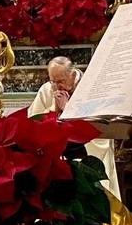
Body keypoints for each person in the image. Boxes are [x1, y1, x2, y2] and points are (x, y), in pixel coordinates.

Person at [28, 56, 120, 198]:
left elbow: (100, 125)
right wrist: (54, 108)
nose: (56, 87)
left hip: (89, 148)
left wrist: (67, 108)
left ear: (72, 74)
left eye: (61, 81)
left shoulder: (93, 88)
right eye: (53, 81)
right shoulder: (47, 90)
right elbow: (34, 122)